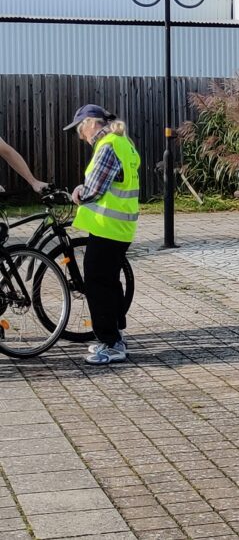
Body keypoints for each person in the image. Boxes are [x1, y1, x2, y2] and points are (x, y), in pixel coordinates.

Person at [66, 104, 140, 365]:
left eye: (79, 129)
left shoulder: (108, 145)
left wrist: (78, 193)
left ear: (90, 123)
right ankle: (115, 336)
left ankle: (111, 344)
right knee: (109, 282)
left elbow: (95, 189)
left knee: (97, 285)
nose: (79, 135)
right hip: (120, 227)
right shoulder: (123, 142)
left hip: (107, 226)